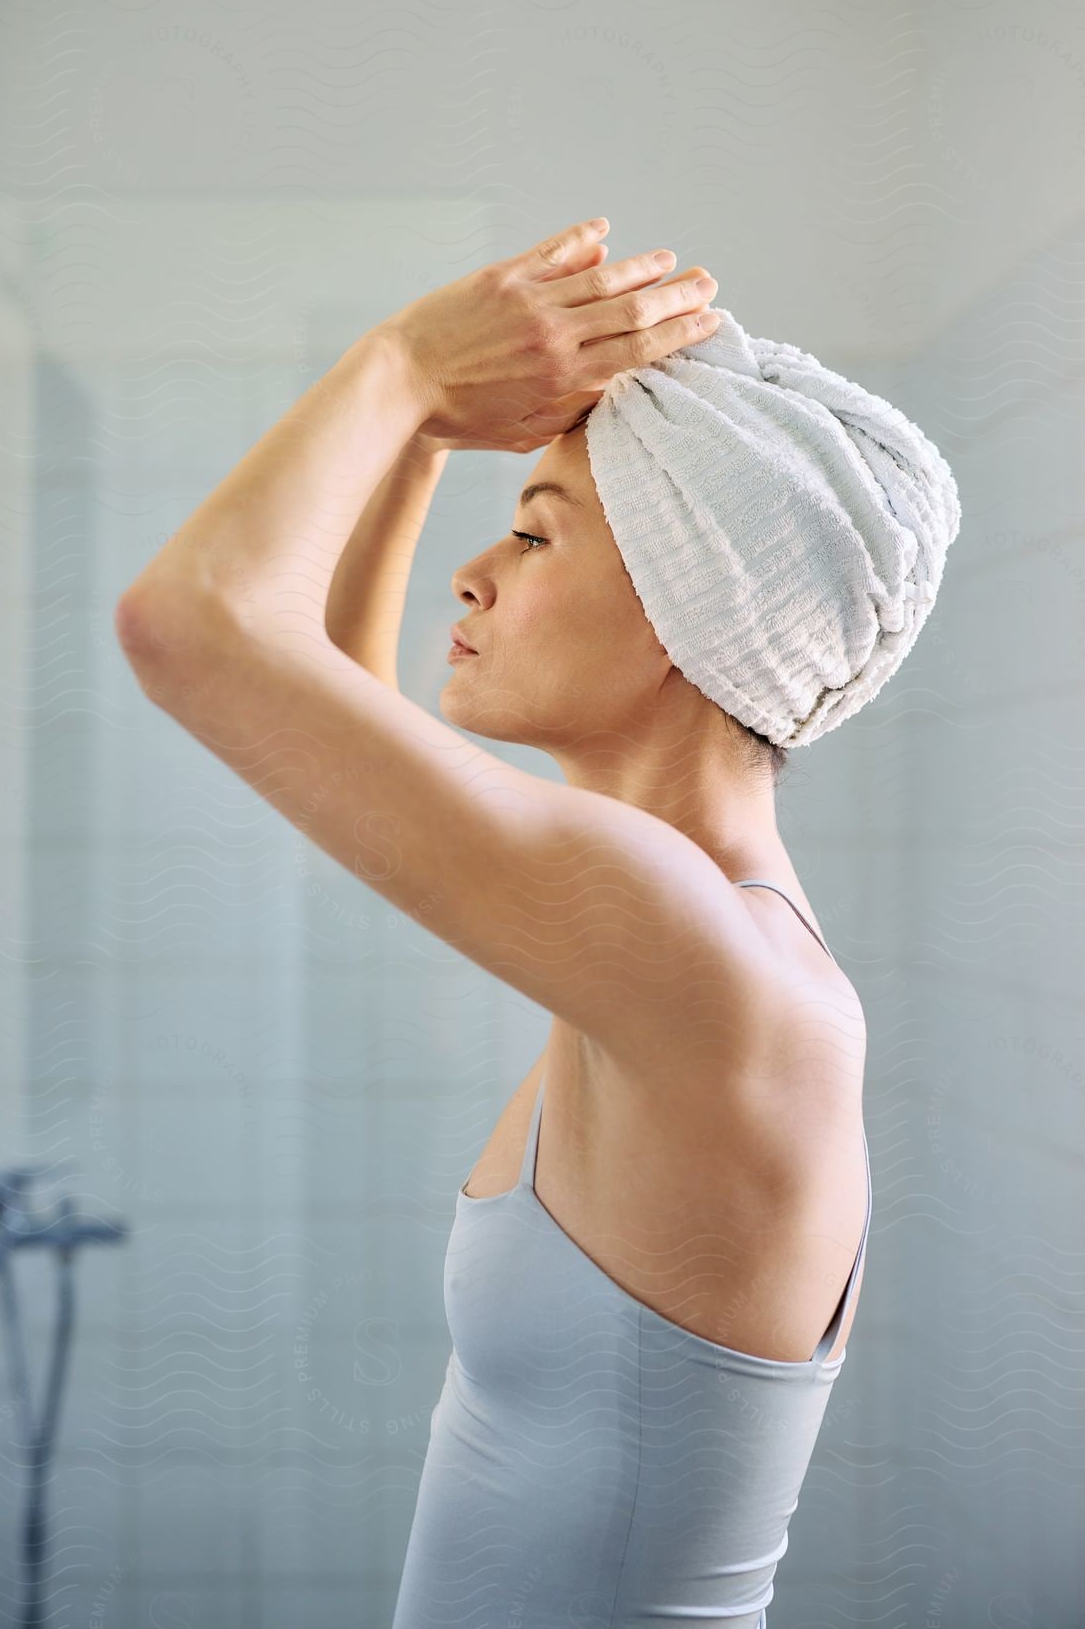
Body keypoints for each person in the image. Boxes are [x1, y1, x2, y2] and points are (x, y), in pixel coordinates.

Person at [114, 218, 961, 1627]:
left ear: (696, 611)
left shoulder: (697, 948)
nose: (474, 572)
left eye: (533, 532)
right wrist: (430, 429)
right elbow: (323, 692)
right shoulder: (681, 926)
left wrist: (395, 370)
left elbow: (191, 628)